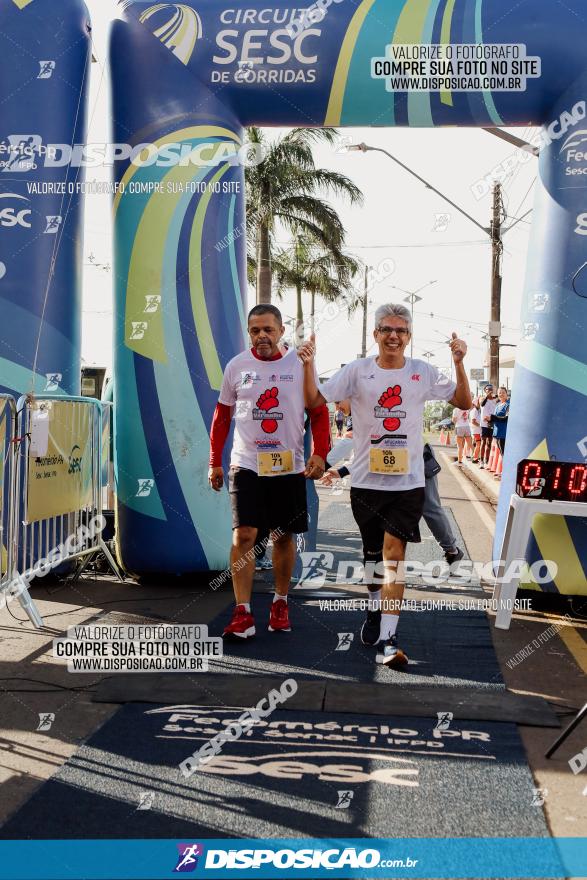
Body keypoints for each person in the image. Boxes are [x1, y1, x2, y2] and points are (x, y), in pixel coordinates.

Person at [298, 303, 472, 668]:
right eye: (387, 329)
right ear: (375, 335)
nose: (394, 335)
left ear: (409, 337)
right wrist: (308, 363)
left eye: (401, 330)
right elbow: (315, 399)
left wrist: (458, 362)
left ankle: (390, 640)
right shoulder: (357, 371)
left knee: (395, 556)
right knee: (373, 557)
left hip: (407, 484)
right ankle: (375, 611)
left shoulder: (421, 372)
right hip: (365, 483)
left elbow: (463, 401)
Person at [209, 304, 330, 640]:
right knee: (243, 535)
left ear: (280, 331)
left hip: (288, 467)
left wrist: (320, 454)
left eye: (268, 330)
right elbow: (221, 417)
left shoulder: (300, 362)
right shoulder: (236, 366)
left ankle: (280, 601)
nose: (261, 336)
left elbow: (319, 412)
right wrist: (213, 461)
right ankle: (242, 612)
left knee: (282, 536)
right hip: (246, 464)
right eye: (255, 330)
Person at [324, 443, 465, 568]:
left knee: (429, 507)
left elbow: (351, 442)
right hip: (384, 467)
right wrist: (340, 471)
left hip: (413, 459)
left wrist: (323, 465)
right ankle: (380, 566)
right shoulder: (364, 417)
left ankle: (451, 549)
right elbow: (362, 450)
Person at [479, 384, 497, 468]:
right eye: (487, 389)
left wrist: (496, 395)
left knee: (489, 443)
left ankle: (487, 460)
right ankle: (481, 460)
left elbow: (501, 398)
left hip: (492, 423)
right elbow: (482, 404)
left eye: (491, 389)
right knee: (483, 442)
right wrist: (487, 395)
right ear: (485, 390)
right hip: (484, 424)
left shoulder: (494, 400)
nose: (489, 390)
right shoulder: (482, 398)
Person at [492, 386, 510, 458]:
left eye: (503, 393)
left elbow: (507, 418)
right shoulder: (498, 405)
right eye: (499, 393)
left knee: (504, 453)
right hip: (497, 432)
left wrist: (494, 418)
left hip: (504, 433)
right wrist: (489, 420)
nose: (501, 394)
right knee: (502, 453)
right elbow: (495, 418)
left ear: (506, 394)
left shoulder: (508, 404)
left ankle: (507, 468)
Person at [469, 397, 481, 463]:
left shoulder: (476, 410)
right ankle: (475, 458)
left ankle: (474, 457)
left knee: (477, 444)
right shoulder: (474, 411)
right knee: (478, 444)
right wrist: (480, 426)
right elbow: (473, 421)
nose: (480, 404)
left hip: (476, 430)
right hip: (476, 430)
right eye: (479, 403)